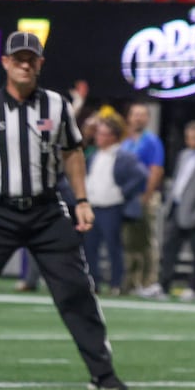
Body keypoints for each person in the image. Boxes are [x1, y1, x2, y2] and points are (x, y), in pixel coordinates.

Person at [0, 31, 126, 390]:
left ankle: (103, 374)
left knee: (76, 290)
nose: (25, 64)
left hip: (47, 210)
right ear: (6, 63)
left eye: (32, 59)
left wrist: (81, 200)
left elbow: (73, 151)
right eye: (19, 58)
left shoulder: (57, 105)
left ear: (40, 64)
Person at [143, 120, 195, 302]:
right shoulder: (184, 155)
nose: (192, 141)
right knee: (169, 248)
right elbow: (178, 180)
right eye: (189, 137)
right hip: (177, 208)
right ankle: (163, 284)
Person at [82, 116, 147, 295]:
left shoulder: (124, 156)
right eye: (98, 134)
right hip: (93, 206)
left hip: (111, 207)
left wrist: (122, 192)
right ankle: (93, 281)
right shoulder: (94, 154)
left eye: (103, 134)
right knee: (90, 247)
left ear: (113, 137)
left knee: (113, 247)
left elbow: (140, 175)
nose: (98, 138)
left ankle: (116, 283)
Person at [120, 103, 165, 294]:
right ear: (129, 117)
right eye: (135, 114)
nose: (138, 118)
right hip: (126, 197)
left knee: (146, 240)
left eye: (142, 115)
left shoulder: (152, 141)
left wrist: (146, 195)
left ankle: (149, 282)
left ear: (147, 119)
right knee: (128, 241)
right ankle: (131, 281)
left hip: (144, 196)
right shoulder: (126, 142)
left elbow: (156, 169)